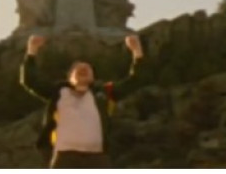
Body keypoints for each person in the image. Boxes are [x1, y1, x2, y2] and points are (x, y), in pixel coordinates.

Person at [20, 33, 145, 168]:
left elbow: (136, 81)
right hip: (65, 157)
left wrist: (137, 51)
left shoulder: (103, 92)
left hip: (97, 157)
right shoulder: (58, 92)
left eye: (87, 69)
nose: (83, 69)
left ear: (93, 76)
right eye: (78, 69)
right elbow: (29, 80)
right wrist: (31, 50)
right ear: (70, 77)